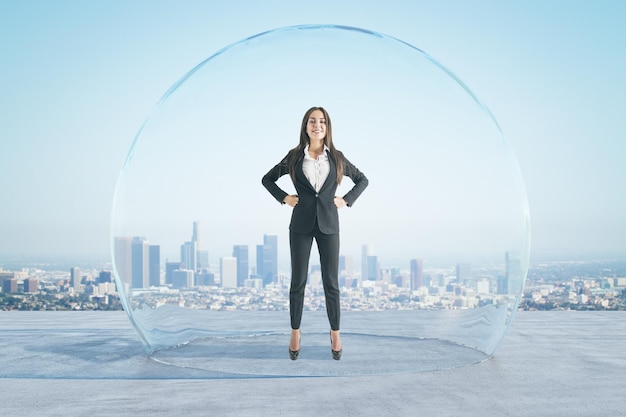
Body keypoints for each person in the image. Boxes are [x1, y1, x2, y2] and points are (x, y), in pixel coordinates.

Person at [262, 106, 368, 360]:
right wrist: (284, 197)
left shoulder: (337, 157)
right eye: (312, 121)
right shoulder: (295, 156)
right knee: (298, 281)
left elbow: (362, 179)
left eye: (321, 121)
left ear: (327, 127)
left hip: (329, 226)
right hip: (300, 225)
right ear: (305, 126)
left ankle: (335, 333)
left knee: (331, 283)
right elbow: (267, 179)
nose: (317, 125)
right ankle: (295, 332)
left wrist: (347, 200)